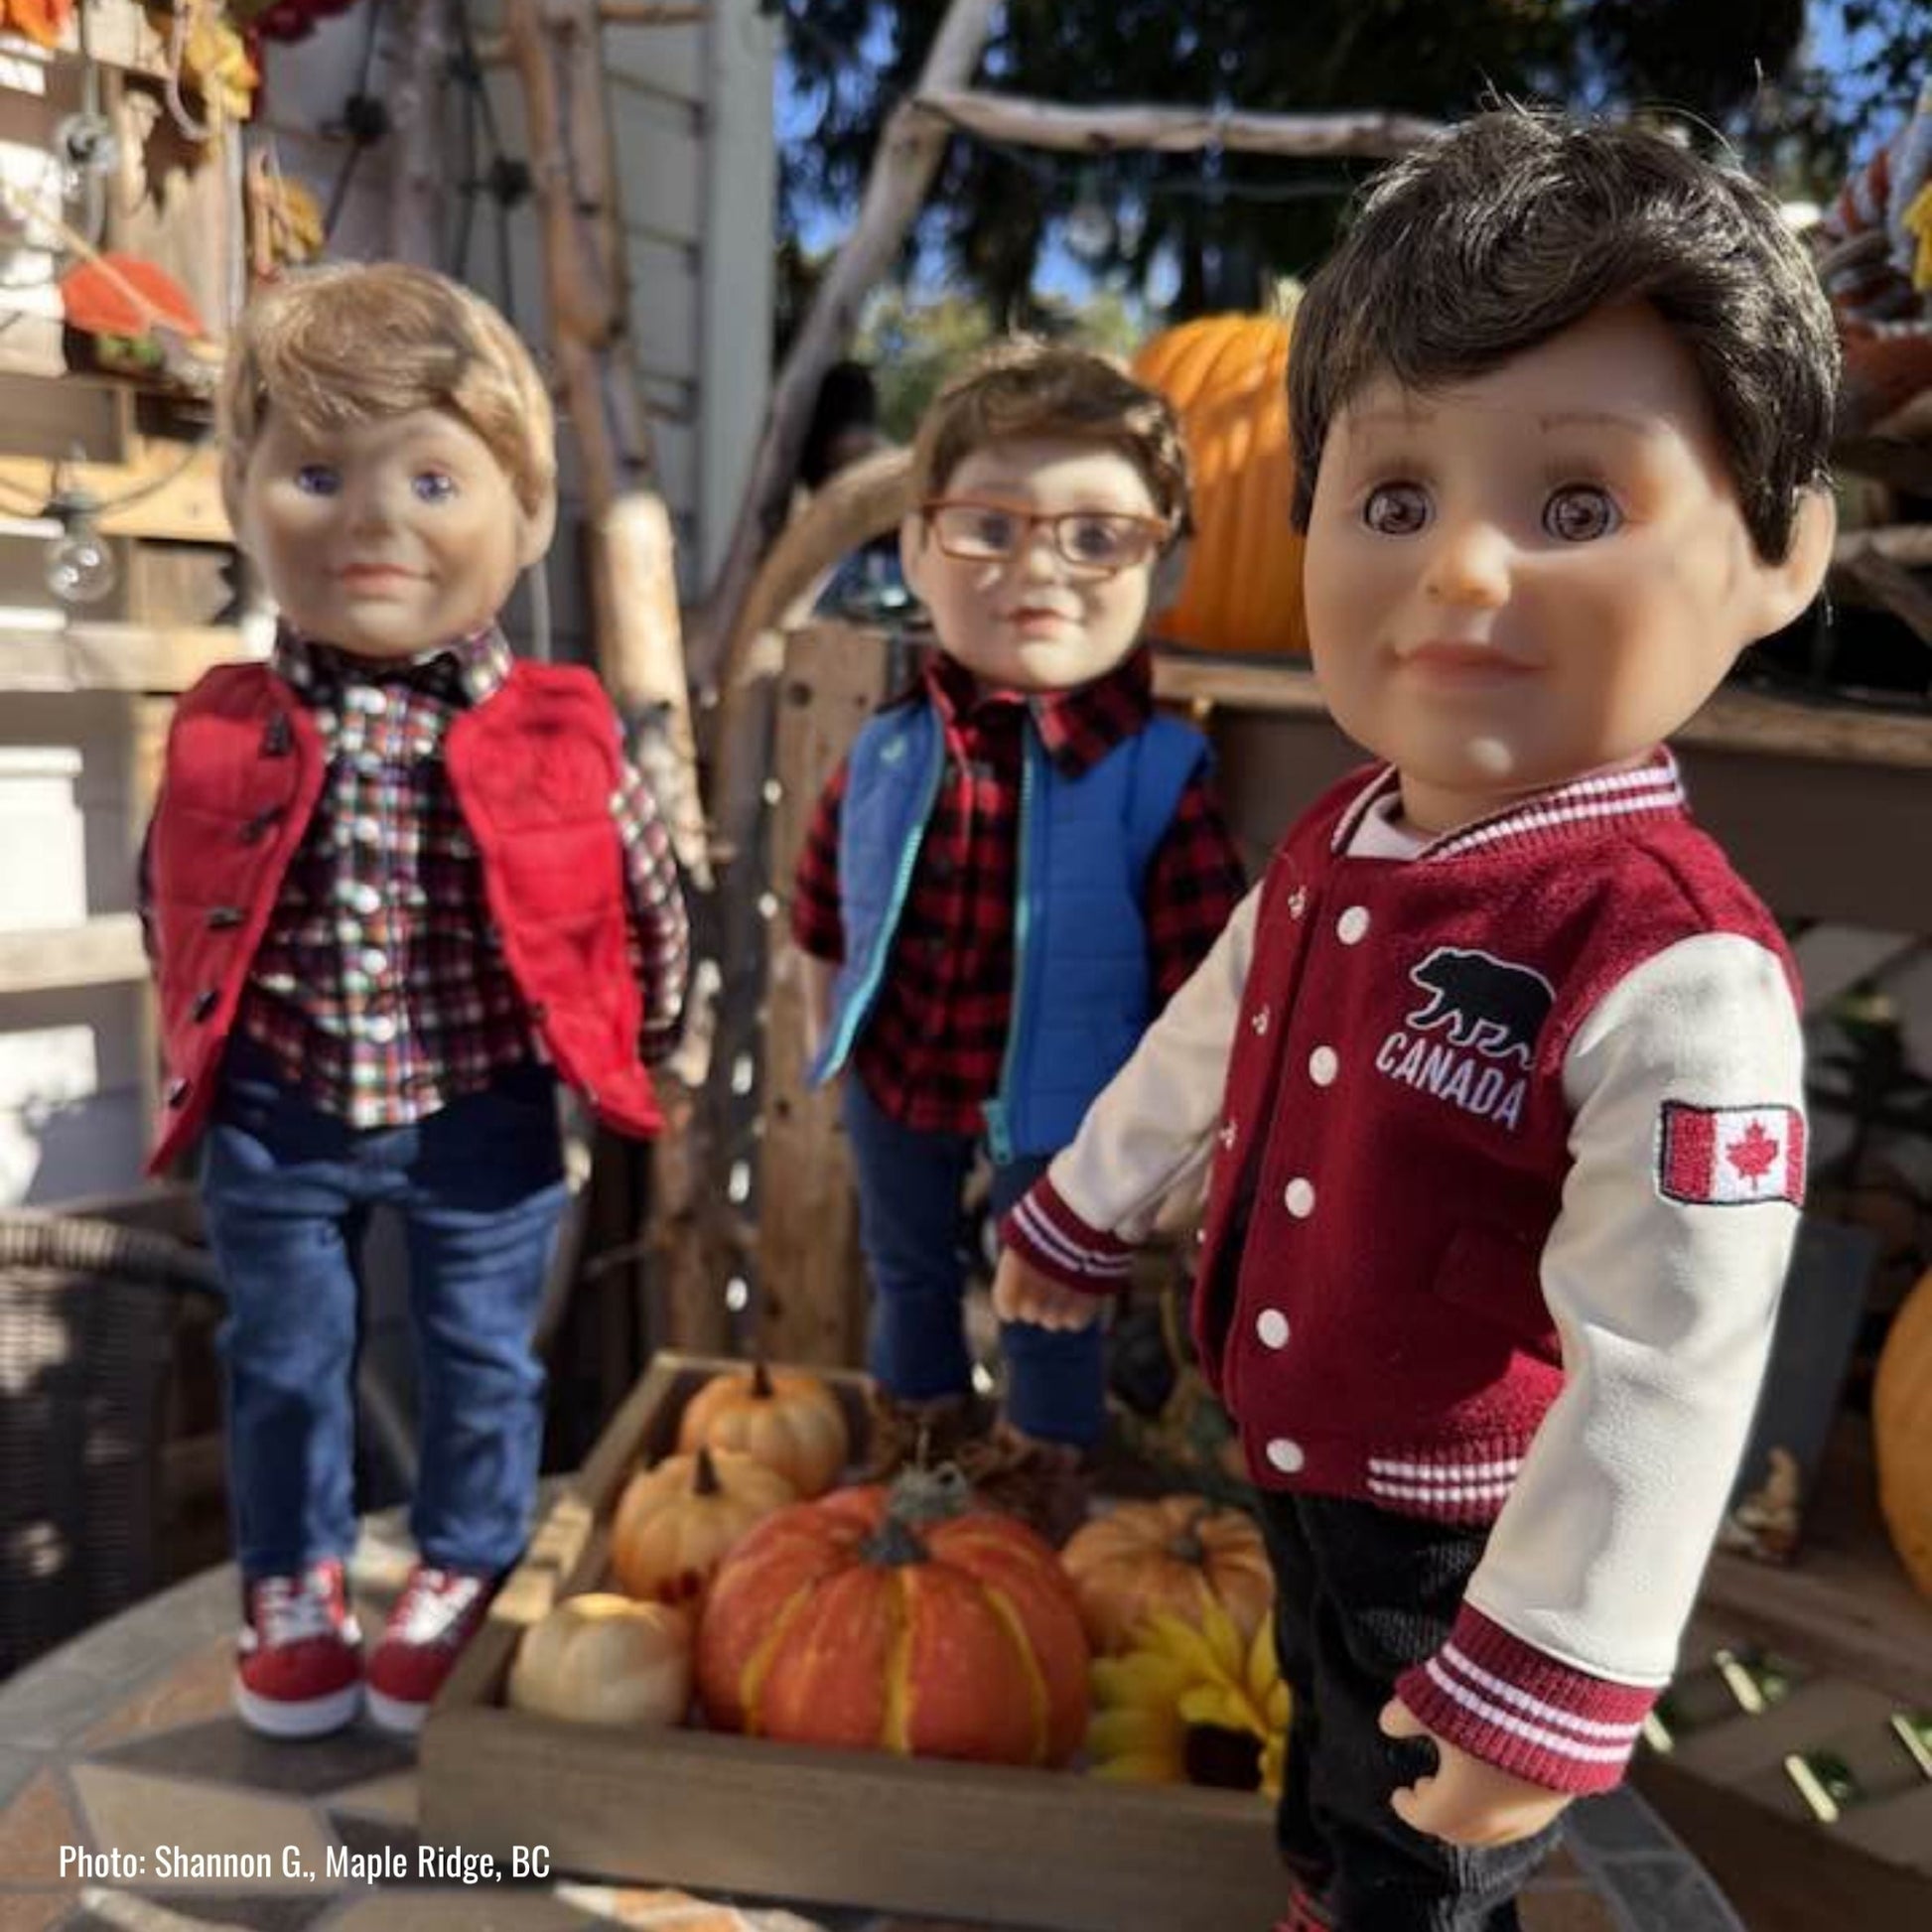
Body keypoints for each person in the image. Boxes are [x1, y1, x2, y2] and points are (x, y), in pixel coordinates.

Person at [993, 109, 1837, 1931]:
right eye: (1394, 500)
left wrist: (1556, 1667)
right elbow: (1215, 1033)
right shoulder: (1337, 838)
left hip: (1472, 1513)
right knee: (1326, 1739)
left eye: (1574, 506)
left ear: (1779, 558)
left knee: (1431, 1839)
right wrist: (1084, 1206)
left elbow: (1667, 1353)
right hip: (1290, 1440)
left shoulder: (1668, 962)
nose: (1461, 571)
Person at [139, 263, 690, 1739]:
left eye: (433, 478)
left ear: (521, 513)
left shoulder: (556, 725)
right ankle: (294, 1578)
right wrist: (190, 1041)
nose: (375, 519)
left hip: (481, 1101)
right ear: (242, 497)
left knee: (478, 1356)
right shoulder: (224, 722)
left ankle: (459, 1560)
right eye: (317, 472)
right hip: (280, 1102)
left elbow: (644, 897)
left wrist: (655, 1038)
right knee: (279, 1355)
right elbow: (176, 891)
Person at [789, 340, 1248, 1541]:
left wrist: (1194, 1135)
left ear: (1167, 564)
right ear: (914, 551)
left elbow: (1209, 979)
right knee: (907, 1271)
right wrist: (822, 1012)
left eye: (1095, 534)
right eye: (987, 525)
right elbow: (822, 897)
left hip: (1074, 1104)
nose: (1038, 566)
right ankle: (922, 1451)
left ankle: (1043, 1478)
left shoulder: (1158, 774)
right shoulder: (891, 744)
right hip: (903, 1068)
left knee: (1056, 1293)